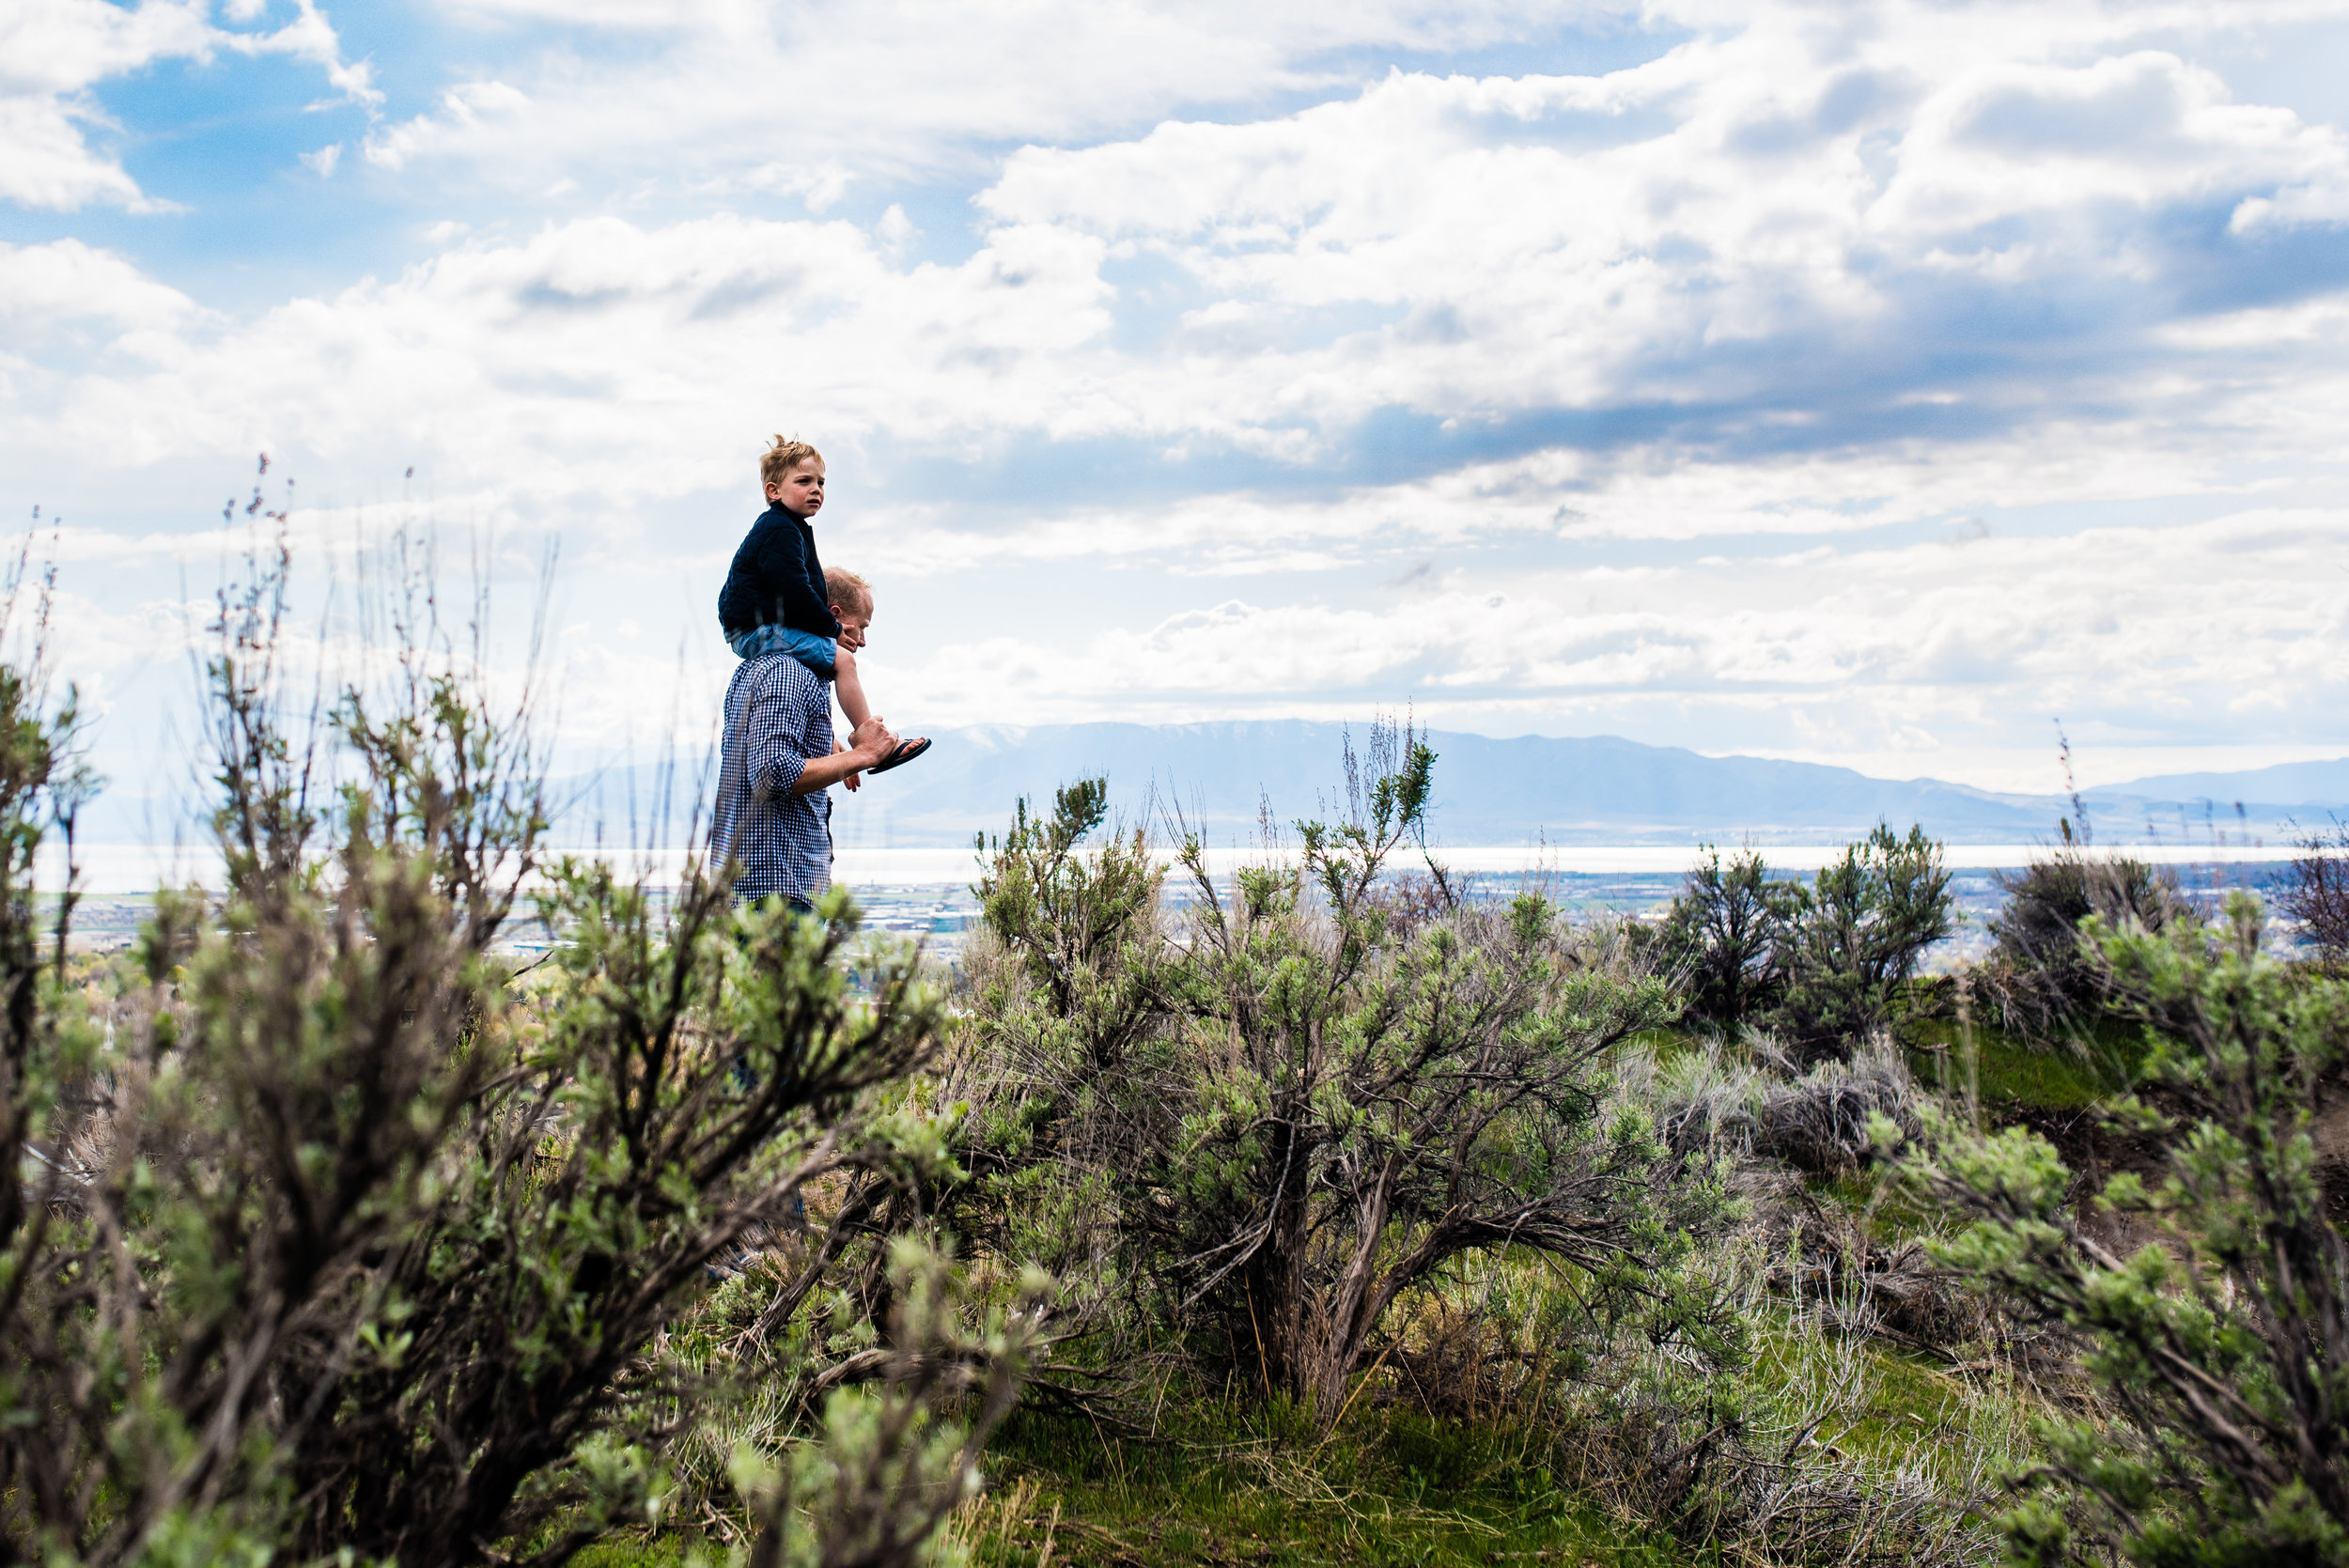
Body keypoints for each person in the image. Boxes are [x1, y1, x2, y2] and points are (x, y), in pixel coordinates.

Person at [717, 436, 928, 774]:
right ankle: (871, 739)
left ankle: (832, 740)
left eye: (820, 482)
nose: (816, 489)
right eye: (804, 481)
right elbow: (794, 591)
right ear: (774, 491)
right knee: (843, 661)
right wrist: (831, 631)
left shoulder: (791, 529)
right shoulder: (778, 529)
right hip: (756, 630)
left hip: (756, 627)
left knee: (823, 664)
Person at [708, 573, 900, 910]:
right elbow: (773, 774)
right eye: (862, 627)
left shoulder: (763, 668)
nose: (864, 641)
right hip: (775, 891)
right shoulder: (790, 673)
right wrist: (864, 755)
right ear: (835, 616)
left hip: (757, 889)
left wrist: (833, 751)